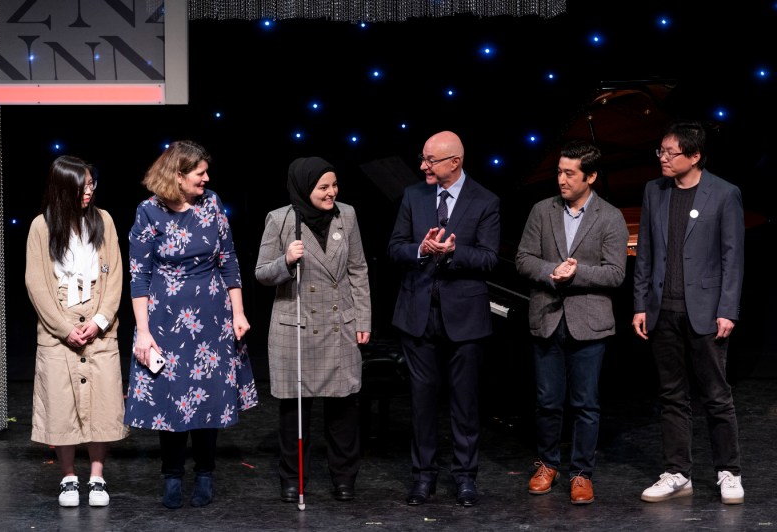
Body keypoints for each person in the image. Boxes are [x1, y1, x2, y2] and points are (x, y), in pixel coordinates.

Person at [124, 140, 258, 509]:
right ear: (178, 175)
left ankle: (205, 473)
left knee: (207, 398)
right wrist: (144, 331)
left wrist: (239, 311)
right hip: (165, 317)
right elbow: (139, 276)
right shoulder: (148, 211)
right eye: (200, 173)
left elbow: (228, 258)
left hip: (212, 315)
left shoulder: (211, 202)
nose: (207, 178)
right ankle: (171, 476)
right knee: (171, 397)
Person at [633, 120, 745, 505]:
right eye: (660, 151)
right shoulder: (654, 191)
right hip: (663, 310)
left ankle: (729, 471)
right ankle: (678, 472)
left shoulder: (724, 194)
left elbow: (733, 257)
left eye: (670, 152)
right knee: (671, 396)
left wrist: (728, 308)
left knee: (716, 396)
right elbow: (645, 251)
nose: (662, 158)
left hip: (707, 312)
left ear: (695, 156)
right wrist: (639, 304)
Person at [388, 130, 500, 507]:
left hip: (465, 318)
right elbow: (394, 247)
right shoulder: (413, 195)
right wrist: (420, 249)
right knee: (421, 403)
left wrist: (454, 253)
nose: (422, 166)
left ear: (454, 162)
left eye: (429, 160)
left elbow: (488, 259)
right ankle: (423, 478)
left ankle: (465, 478)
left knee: (465, 404)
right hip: (418, 314)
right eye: (423, 158)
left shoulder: (485, 201)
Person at [514, 140, 628, 505]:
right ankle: (547, 464)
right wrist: (552, 272)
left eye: (569, 173)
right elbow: (523, 258)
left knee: (585, 403)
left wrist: (574, 275)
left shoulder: (609, 216)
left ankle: (582, 473)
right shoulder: (541, 211)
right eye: (559, 172)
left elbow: (615, 274)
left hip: (589, 323)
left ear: (590, 176)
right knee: (547, 400)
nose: (561, 179)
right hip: (547, 317)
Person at [255, 156, 371, 503]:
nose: (331, 192)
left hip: (339, 326)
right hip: (297, 327)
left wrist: (363, 319)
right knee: (295, 414)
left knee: (342, 411)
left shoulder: (346, 215)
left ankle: (344, 478)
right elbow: (262, 273)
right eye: (323, 187)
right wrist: (286, 261)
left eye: (334, 185)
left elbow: (358, 269)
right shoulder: (281, 220)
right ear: (306, 188)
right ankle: (293, 479)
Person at [25, 155, 128, 507]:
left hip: (99, 329)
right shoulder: (42, 226)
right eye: (82, 186)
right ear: (63, 188)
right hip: (59, 331)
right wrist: (64, 328)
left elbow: (115, 275)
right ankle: (69, 476)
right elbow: (36, 283)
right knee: (62, 404)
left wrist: (100, 321)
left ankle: (97, 476)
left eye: (91, 184)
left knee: (102, 404)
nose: (89, 191)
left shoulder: (105, 221)